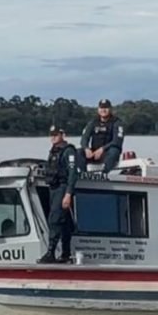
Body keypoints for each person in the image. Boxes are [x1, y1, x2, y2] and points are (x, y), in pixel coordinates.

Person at [38, 126, 79, 264]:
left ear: (63, 134)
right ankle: (66, 253)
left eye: (56, 135)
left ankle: (51, 252)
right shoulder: (53, 152)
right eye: (51, 135)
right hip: (53, 188)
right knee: (64, 222)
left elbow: (73, 173)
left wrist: (68, 194)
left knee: (54, 220)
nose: (53, 137)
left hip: (62, 188)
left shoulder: (69, 151)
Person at [76, 98, 124, 175]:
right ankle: (83, 174)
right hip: (94, 153)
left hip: (107, 154)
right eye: (101, 108)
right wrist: (86, 148)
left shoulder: (116, 122)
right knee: (78, 152)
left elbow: (117, 141)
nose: (103, 110)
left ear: (110, 109)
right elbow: (84, 138)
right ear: (98, 109)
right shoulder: (93, 122)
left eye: (106, 108)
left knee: (114, 151)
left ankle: (104, 175)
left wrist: (102, 149)